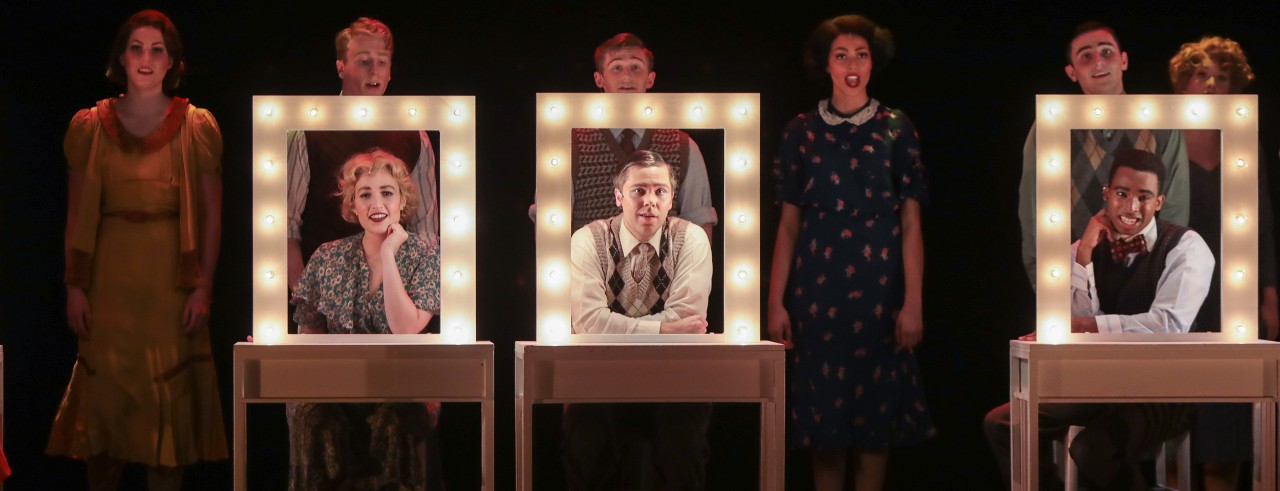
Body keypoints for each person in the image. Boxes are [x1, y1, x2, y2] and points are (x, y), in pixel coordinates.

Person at [47, 10, 226, 490]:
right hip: (109, 284)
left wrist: (202, 288)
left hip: (172, 286)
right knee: (104, 425)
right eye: (136, 48)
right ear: (121, 57)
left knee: (165, 432)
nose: (146, 59)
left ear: (172, 61)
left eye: (157, 49)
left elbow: (211, 217)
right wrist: (75, 286)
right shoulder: (90, 125)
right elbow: (77, 211)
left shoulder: (196, 125)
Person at [766, 14, 934, 491]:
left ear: (873, 61)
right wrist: (775, 301)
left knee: (875, 433)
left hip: (880, 292)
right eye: (841, 55)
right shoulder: (800, 131)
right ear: (826, 64)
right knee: (826, 432)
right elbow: (789, 223)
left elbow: (911, 222)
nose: (852, 64)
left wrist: (914, 301)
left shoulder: (896, 128)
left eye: (861, 54)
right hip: (818, 295)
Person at [985, 149, 1215, 489]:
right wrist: (1084, 256)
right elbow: (1073, 327)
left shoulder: (1186, 247)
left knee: (1091, 448)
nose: (1132, 207)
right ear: (1106, 193)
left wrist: (1085, 327)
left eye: (1144, 197)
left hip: (1166, 388)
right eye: (1122, 194)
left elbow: (1167, 325)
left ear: (1160, 201)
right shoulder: (1081, 248)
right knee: (1003, 423)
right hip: (1100, 382)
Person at [288, 150, 441, 490]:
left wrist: (388, 255)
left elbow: (404, 328)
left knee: (396, 420)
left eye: (387, 192)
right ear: (352, 205)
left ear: (402, 201)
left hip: (402, 385)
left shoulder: (425, 256)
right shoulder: (327, 256)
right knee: (315, 418)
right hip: (337, 384)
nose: (377, 203)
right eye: (365, 194)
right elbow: (308, 339)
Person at [564, 150, 713, 489]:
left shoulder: (691, 239)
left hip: (675, 375)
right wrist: (663, 328)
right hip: (600, 375)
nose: (650, 201)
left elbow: (689, 319)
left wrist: (619, 327)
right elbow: (589, 324)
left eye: (660, 191)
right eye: (639, 191)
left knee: (682, 450)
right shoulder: (588, 240)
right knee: (586, 444)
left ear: (672, 197)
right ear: (619, 196)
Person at [1168, 35, 1278, 491]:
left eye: (1222, 76)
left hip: (1232, 295)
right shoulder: (1165, 140)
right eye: (1201, 74)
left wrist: (1269, 295)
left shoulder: (1242, 142)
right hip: (1176, 296)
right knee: (1170, 412)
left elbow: (1264, 226)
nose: (1211, 84)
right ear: (1183, 84)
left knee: (1227, 413)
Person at [1019, 21, 1190, 287]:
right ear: (1072, 72)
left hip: (1144, 275)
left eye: (1106, 52)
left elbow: (1175, 207)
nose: (1098, 61)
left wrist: (1164, 272)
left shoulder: (1161, 122)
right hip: (1073, 274)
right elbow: (1033, 210)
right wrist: (1045, 287)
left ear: (1123, 61)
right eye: (1086, 56)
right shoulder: (1050, 126)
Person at [287, 17, 439, 290]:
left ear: (390, 71)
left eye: (382, 62)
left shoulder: (414, 136)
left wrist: (413, 308)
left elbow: (425, 232)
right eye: (364, 61)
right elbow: (284, 229)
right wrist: (308, 303)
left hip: (394, 304)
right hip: (325, 298)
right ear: (341, 67)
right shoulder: (308, 132)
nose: (374, 71)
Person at [530, 32, 718, 239]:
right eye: (617, 68)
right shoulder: (569, 146)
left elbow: (699, 226)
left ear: (650, 79)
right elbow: (549, 227)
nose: (627, 77)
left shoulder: (682, 146)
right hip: (590, 270)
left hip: (663, 271)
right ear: (599, 79)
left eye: (635, 67)